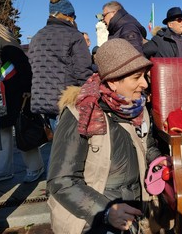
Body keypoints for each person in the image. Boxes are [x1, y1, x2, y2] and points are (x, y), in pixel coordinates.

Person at [47, 38, 163, 233]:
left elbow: (147, 145)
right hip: (90, 218)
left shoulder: (137, 108)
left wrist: (161, 161)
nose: (144, 84)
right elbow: (61, 181)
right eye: (136, 77)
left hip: (132, 212)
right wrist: (107, 211)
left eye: (144, 76)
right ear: (112, 82)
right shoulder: (81, 113)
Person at [28, 0, 93, 131]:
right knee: (71, 147)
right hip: (66, 101)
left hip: (42, 101)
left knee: (58, 147)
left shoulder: (37, 36)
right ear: (68, 16)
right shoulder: (74, 35)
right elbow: (83, 71)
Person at [0, 23, 44, 183]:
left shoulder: (8, 47)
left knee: (22, 129)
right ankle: (4, 170)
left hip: (15, 95)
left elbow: (24, 69)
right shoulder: (6, 44)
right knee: (5, 131)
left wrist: (27, 90)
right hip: (5, 96)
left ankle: (35, 167)